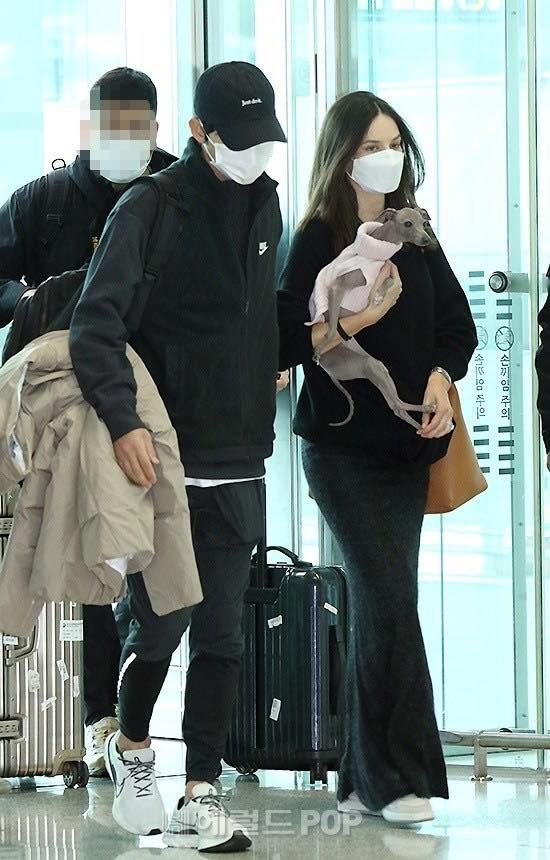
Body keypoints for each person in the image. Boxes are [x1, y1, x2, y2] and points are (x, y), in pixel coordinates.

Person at [69, 61, 286, 852]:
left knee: (223, 636)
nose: (254, 153)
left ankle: (200, 791)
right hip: (161, 464)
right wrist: (124, 423)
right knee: (160, 629)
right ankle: (132, 751)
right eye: (238, 138)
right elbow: (95, 326)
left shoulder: (266, 205)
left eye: (263, 139)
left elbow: (254, 320)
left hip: (241, 459)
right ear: (199, 132)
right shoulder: (149, 207)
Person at [277, 91, 477, 824]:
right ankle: (400, 780)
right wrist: (359, 318)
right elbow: (284, 341)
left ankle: (363, 779)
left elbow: (458, 325)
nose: (385, 157)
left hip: (407, 452)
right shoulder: (316, 237)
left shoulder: (416, 231)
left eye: (394, 143)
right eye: (370, 146)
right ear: (343, 158)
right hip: (341, 454)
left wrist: (441, 378)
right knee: (390, 600)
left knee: (381, 604)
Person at [0, 66, 176, 778]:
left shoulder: (177, 194)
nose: (125, 140)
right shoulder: (43, 202)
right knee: (89, 564)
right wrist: (30, 300)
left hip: (157, 408)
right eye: (113, 127)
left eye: (138, 128)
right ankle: (96, 719)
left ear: (157, 130)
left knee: (157, 566)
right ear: (90, 126)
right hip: (66, 418)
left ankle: (123, 718)